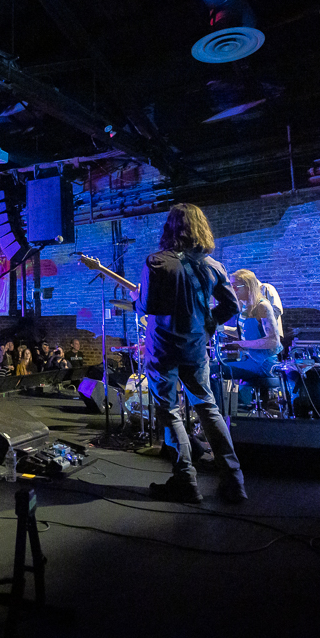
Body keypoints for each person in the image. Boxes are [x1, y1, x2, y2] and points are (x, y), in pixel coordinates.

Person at [134, 203, 246, 504]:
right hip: (196, 348)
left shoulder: (157, 262)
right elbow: (232, 307)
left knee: (169, 411)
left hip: (163, 349)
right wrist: (209, 324)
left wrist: (136, 298)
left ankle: (186, 481)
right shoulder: (214, 266)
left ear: (170, 228)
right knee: (207, 407)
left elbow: (147, 307)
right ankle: (234, 482)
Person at [223, 269, 283, 412]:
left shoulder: (262, 306)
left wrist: (241, 344)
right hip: (250, 360)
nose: (233, 289)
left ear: (248, 286)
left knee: (217, 370)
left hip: (264, 363)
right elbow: (243, 334)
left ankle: (224, 415)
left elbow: (274, 341)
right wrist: (219, 327)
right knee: (215, 366)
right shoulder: (245, 306)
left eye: (236, 286)